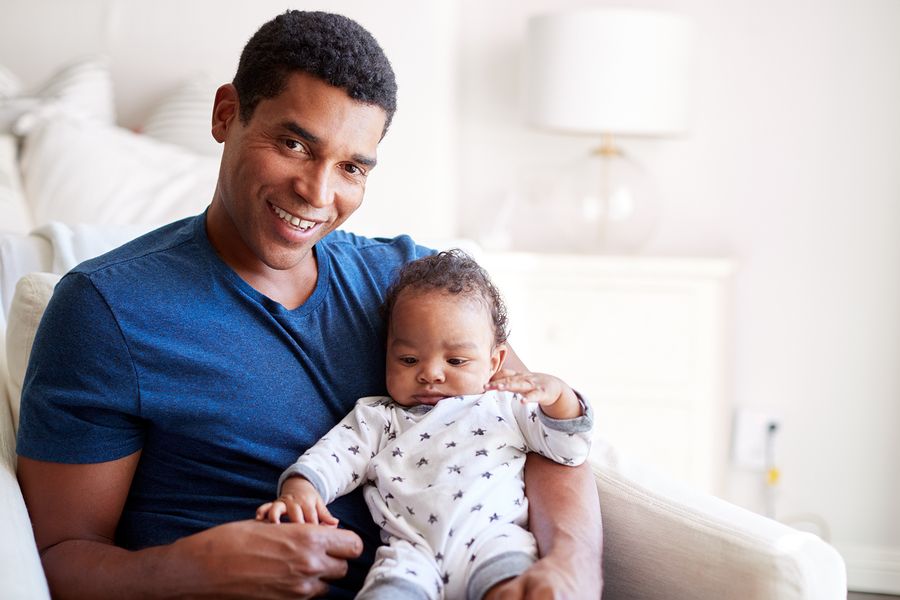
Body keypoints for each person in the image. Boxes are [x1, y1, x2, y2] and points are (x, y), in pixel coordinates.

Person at [16, 10, 602, 599]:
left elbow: (533, 429)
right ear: (226, 115)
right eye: (295, 145)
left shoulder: (414, 284)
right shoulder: (107, 308)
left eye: (350, 167)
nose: (319, 194)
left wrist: (570, 566)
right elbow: (54, 558)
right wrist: (189, 569)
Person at [257, 250, 593, 599]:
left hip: (494, 542)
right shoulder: (379, 419)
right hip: (410, 554)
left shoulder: (506, 406)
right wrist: (301, 490)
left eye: (456, 360)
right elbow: (333, 456)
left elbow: (569, 451)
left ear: (494, 362)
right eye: (408, 359)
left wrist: (559, 397)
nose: (430, 373)